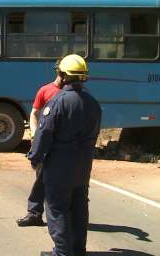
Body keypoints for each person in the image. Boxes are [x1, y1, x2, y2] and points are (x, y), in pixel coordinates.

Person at [27, 54, 101, 256]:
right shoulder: (93, 103)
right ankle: (78, 250)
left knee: (57, 209)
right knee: (79, 208)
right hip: (83, 165)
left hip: (59, 165)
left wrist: (35, 157)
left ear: (62, 74)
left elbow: (44, 134)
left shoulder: (58, 102)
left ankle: (62, 252)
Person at [17, 60, 62, 227]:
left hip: (64, 145)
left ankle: (63, 217)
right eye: (60, 72)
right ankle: (34, 213)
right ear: (57, 72)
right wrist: (34, 134)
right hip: (46, 142)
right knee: (41, 179)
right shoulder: (46, 90)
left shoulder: (73, 92)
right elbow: (34, 113)